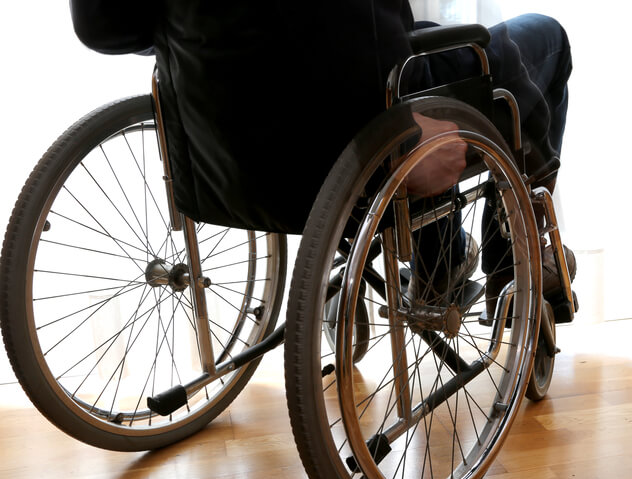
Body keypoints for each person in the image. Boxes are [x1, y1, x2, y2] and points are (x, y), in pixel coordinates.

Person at [69, 1, 575, 300]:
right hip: (355, 121)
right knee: (546, 39)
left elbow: (104, 28)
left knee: (403, 51)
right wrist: (403, 128)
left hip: (223, 144)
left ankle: (438, 256)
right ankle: (510, 265)